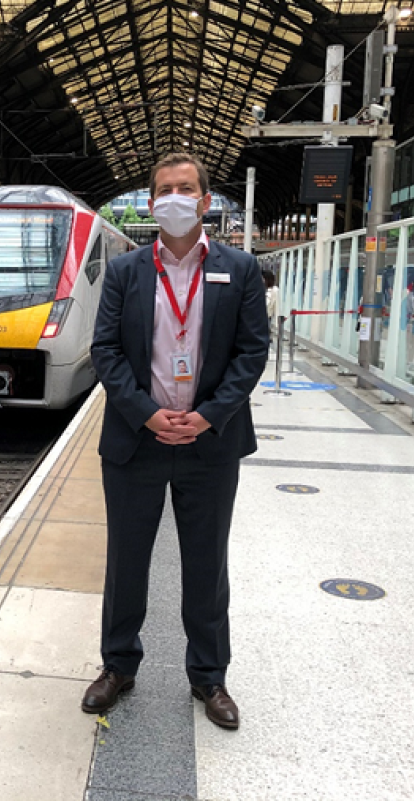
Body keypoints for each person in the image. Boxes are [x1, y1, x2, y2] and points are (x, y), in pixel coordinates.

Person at [82, 152, 269, 730]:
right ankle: (118, 665)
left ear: (205, 201)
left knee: (206, 563)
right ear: (151, 201)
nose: (175, 198)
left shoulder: (240, 269)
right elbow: (106, 350)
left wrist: (210, 415)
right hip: (138, 441)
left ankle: (209, 677)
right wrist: (146, 414)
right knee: (126, 560)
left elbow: (252, 352)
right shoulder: (126, 271)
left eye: (185, 189)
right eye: (164, 189)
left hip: (210, 444)